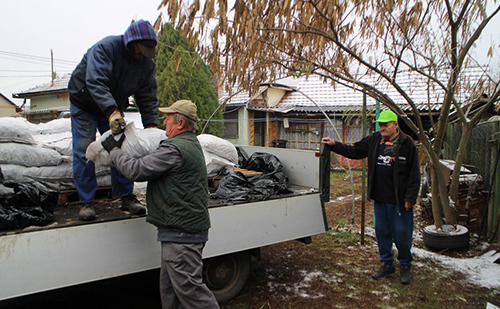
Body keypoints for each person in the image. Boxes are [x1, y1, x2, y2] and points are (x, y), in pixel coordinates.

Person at [101, 99, 220, 309]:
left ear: (180, 123)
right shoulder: (190, 144)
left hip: (182, 235)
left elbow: (136, 170)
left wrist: (114, 151)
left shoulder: (174, 149)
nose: (164, 122)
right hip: (179, 232)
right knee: (171, 292)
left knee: (192, 294)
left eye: (168, 118)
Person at [68, 19, 159, 221]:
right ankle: (86, 201)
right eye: (140, 50)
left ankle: (126, 196)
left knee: (122, 147)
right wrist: (111, 111)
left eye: (146, 52)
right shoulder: (106, 48)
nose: (141, 55)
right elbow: (96, 81)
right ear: (130, 41)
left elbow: (147, 95)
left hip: (113, 106)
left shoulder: (145, 65)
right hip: (85, 102)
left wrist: (151, 124)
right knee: (85, 149)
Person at [321, 110, 420, 284]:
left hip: (399, 201)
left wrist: (410, 198)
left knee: (402, 234)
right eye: (380, 124)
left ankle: (405, 265)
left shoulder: (407, 144)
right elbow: (355, 151)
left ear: (395, 125)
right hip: (380, 198)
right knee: (382, 232)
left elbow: (414, 175)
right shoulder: (374, 140)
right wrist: (335, 144)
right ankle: (387, 264)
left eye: (385, 125)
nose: (382, 128)